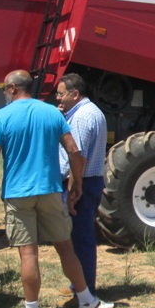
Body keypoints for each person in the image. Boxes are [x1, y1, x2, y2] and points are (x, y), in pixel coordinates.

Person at [0, 70, 115, 308]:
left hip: (18, 192)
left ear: (13, 88)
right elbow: (74, 151)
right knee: (66, 247)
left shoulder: (1, 116)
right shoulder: (53, 113)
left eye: (5, 89)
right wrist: (77, 184)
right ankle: (87, 300)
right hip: (51, 189)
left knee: (28, 253)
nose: (4, 93)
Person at [56, 73, 108, 296]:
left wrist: (73, 190)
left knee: (81, 238)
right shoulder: (91, 112)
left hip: (81, 182)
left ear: (75, 94)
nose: (58, 98)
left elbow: (77, 158)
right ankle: (79, 285)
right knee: (81, 236)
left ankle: (84, 289)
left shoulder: (81, 117)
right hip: (90, 181)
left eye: (61, 94)